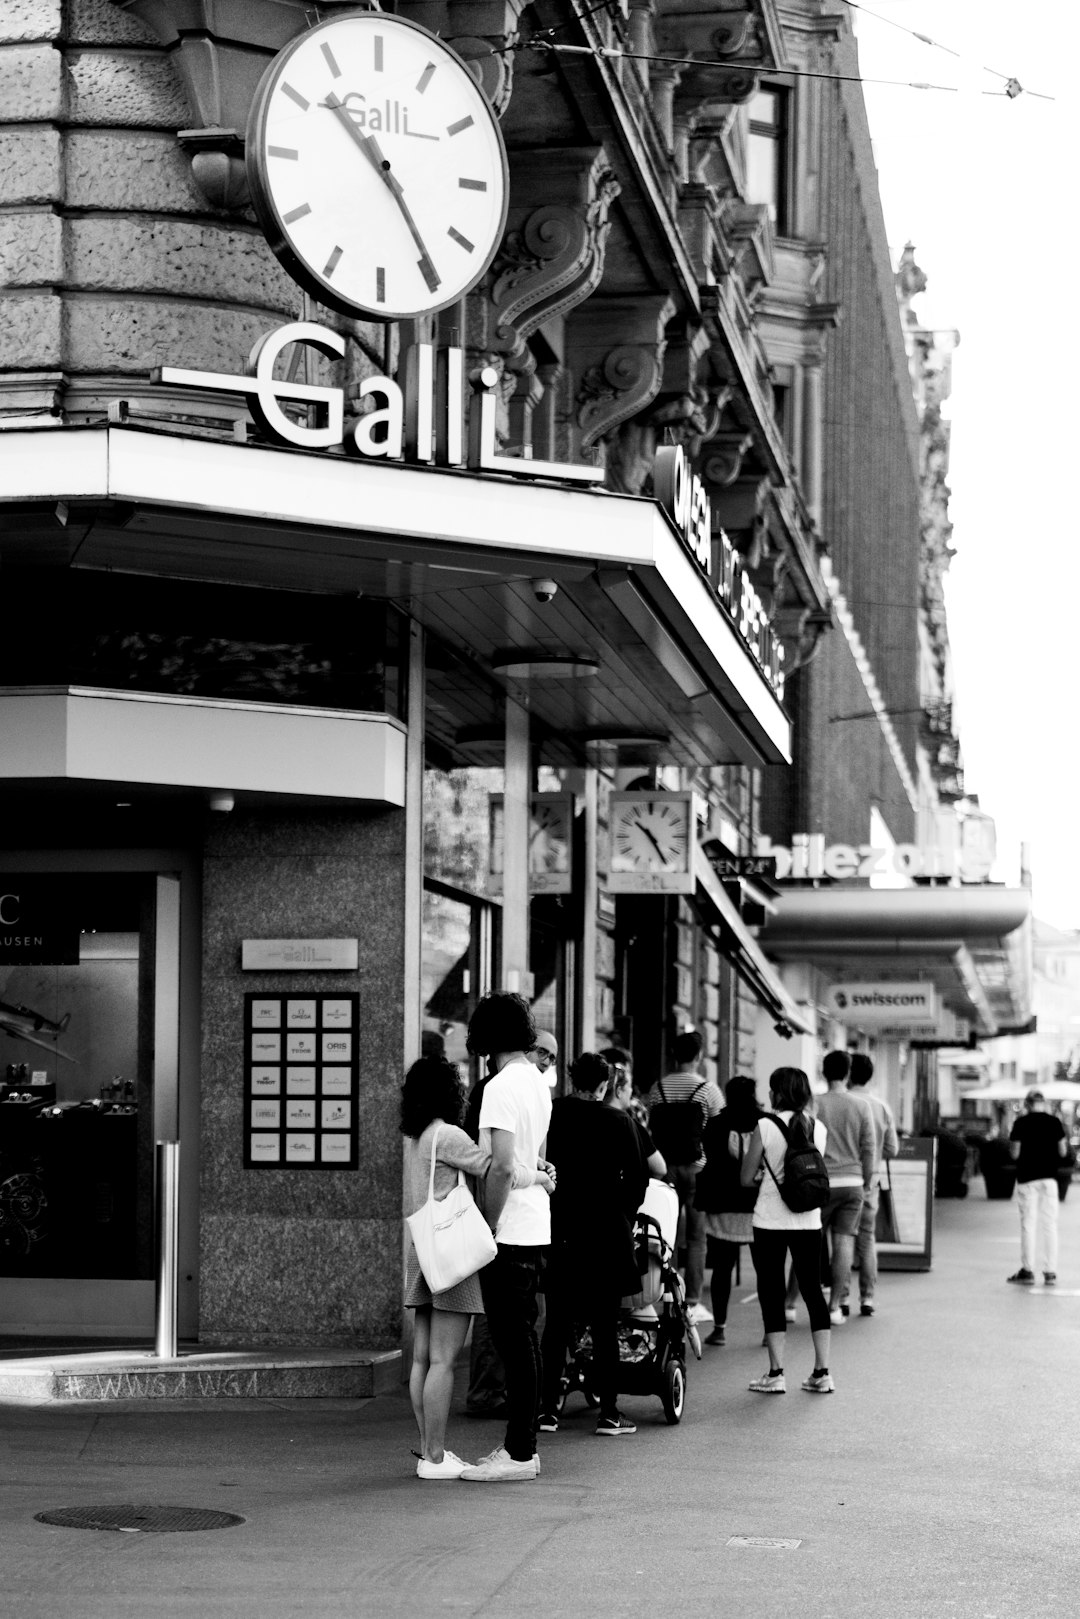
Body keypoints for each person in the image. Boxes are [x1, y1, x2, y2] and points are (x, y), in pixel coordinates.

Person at [400, 1054, 551, 1479]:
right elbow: (498, 1169)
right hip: (453, 1252)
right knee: (445, 1360)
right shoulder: (448, 1135)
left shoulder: (417, 1138)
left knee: (422, 1360)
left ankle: (429, 1450)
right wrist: (541, 1176)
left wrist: (530, 1166)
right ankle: (434, 1456)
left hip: (422, 1250)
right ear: (449, 1093)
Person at [460, 991, 553, 1483]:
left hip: (510, 1228)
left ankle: (519, 1453)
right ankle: (522, 1447)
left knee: (512, 1342)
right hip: (537, 1224)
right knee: (525, 1341)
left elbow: (498, 1167)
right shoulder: (537, 1081)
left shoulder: (498, 1087)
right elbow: (528, 1159)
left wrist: (487, 1225)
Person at [539, 1052, 645, 1437]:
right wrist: (623, 1218)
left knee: (555, 1324)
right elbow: (637, 1181)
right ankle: (610, 1413)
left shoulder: (553, 1113)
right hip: (605, 1233)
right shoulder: (619, 1120)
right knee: (604, 1325)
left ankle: (547, 1409)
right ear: (605, 1086)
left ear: (571, 1079)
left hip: (560, 1229)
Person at [740, 1066, 834, 1394]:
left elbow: (745, 1177)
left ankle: (776, 1373)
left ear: (778, 1093)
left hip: (769, 1219)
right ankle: (822, 1372)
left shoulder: (764, 1126)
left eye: (771, 1089)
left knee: (771, 1291)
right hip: (808, 1219)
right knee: (811, 1290)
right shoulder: (817, 1127)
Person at [646, 1029, 724, 1323]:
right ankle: (693, 1300)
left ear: (674, 1055)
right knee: (696, 1236)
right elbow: (718, 1130)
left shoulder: (658, 1089)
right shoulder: (708, 1090)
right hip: (697, 1167)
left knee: (667, 1233)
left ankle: (669, 1294)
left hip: (664, 1168)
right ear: (700, 1056)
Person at [794, 1050, 874, 1325]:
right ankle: (835, 1307)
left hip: (820, 1183)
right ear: (848, 1072)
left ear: (824, 1072)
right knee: (844, 1243)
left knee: (807, 1244)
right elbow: (869, 1148)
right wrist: (865, 1179)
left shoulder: (813, 1104)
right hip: (853, 1184)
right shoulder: (862, 1105)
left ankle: (789, 1304)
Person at [694, 1075, 763, 1346]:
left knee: (722, 1269)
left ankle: (720, 1329)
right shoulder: (766, 1122)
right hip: (758, 1205)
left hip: (722, 1204)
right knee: (765, 1270)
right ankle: (770, 1331)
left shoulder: (716, 1123)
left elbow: (707, 1159)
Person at [844, 1052, 899, 1316]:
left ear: (847, 1073)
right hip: (870, 1184)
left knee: (841, 1239)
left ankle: (841, 1298)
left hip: (842, 1180)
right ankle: (867, 1297)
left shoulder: (841, 1102)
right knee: (867, 1239)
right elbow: (892, 1149)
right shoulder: (881, 1107)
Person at [1007, 1089, 1068, 1286]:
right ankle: (1050, 1272)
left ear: (1027, 1104)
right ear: (1044, 1103)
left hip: (1027, 1179)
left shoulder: (1020, 1123)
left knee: (1028, 1225)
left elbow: (1014, 1154)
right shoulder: (1055, 1122)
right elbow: (1063, 1150)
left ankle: (1027, 1271)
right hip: (1049, 1179)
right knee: (1050, 1225)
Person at [601, 1047, 666, 1180]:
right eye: (628, 1085)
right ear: (618, 1089)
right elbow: (658, 1168)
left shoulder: (584, 1111)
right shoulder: (630, 1116)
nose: (631, 1090)